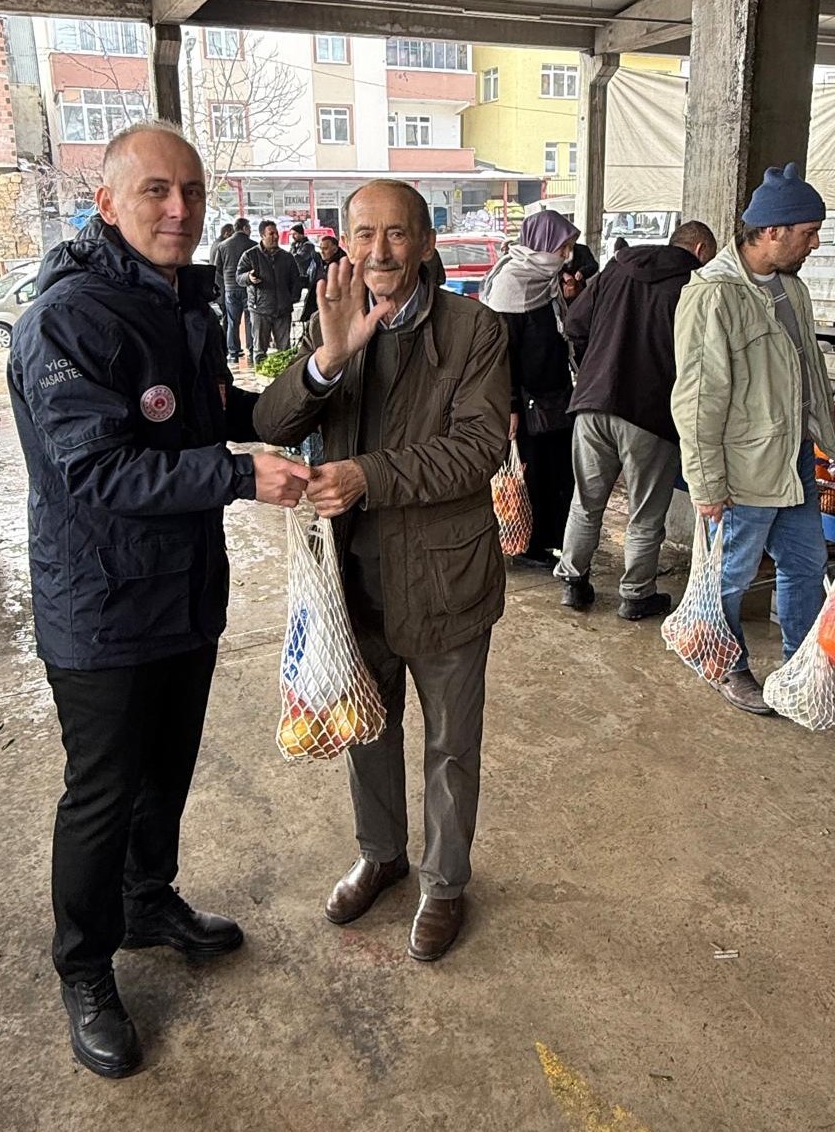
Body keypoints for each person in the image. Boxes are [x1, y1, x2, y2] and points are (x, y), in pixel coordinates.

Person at [7, 122, 309, 1078]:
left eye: (192, 190)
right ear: (106, 202)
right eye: (155, 192)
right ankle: (84, 966)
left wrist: (321, 367)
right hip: (97, 600)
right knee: (101, 790)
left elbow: (214, 411)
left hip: (182, 592)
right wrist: (237, 476)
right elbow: (95, 472)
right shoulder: (68, 318)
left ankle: (148, 900)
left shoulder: (186, 299)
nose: (179, 209)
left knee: (169, 764)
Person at [254, 179, 511, 963]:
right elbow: (270, 422)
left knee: (450, 745)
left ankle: (444, 882)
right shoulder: (330, 314)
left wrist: (368, 474)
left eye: (397, 235)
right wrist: (330, 357)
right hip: (351, 579)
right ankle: (382, 854)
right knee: (368, 725)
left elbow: (479, 449)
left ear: (427, 243)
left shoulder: (475, 330)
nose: (379, 252)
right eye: (363, 234)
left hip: (444, 577)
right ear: (344, 240)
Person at [673, 163, 835, 714]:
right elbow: (697, 400)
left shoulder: (791, 290)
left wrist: (828, 447)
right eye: (808, 233)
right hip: (742, 473)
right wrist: (707, 483)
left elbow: (811, 375)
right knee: (729, 579)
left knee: (806, 565)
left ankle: (800, 668)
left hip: (792, 463)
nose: (815, 244)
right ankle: (728, 664)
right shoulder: (714, 295)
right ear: (772, 232)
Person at [556, 220, 718, 618]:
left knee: (586, 500)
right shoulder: (692, 287)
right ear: (699, 250)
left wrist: (594, 362)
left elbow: (575, 324)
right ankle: (635, 594)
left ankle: (573, 582)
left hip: (592, 402)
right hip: (649, 412)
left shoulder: (616, 269)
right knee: (645, 510)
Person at [482, 210, 579, 568]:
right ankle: (528, 541)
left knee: (557, 472)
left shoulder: (547, 280)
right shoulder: (513, 284)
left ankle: (550, 537)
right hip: (525, 403)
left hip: (554, 397)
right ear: (542, 245)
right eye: (562, 247)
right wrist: (508, 406)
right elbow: (501, 354)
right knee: (530, 473)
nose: (566, 255)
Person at [237, 220, 302, 364]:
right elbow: (239, 277)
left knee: (285, 350)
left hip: (283, 310)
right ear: (262, 235)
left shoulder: (287, 257)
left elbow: (295, 280)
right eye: (271, 234)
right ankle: (261, 380)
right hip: (260, 309)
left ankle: (285, 381)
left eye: (276, 233)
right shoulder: (250, 255)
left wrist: (292, 298)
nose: (276, 237)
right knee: (260, 350)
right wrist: (248, 277)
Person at [213, 217, 256, 364]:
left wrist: (227, 278)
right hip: (248, 287)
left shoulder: (223, 245)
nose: (250, 231)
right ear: (244, 228)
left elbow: (217, 268)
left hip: (230, 288)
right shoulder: (253, 245)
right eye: (249, 228)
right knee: (250, 320)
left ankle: (233, 352)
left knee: (232, 321)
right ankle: (252, 349)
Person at [300, 234, 347, 324]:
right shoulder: (318, 263)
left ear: (335, 249)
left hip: (336, 311)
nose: (322, 252)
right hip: (316, 309)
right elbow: (312, 281)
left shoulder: (344, 265)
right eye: (320, 248)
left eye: (325, 248)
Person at [210, 222, 234, 306]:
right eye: (233, 235)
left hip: (217, 283)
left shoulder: (216, 243)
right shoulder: (222, 246)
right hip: (221, 285)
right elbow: (219, 267)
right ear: (227, 233)